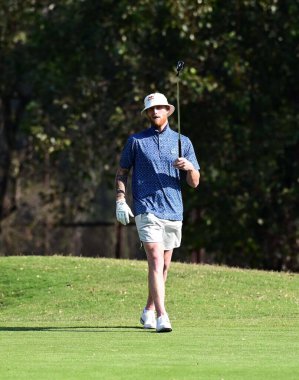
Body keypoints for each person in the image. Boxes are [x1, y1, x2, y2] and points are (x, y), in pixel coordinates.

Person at [115, 92, 200, 333]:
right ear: (147, 113)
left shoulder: (183, 142)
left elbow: (194, 182)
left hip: (173, 209)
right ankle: (163, 316)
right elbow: (122, 172)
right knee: (154, 258)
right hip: (146, 208)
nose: (155, 112)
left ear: (168, 111)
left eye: (159, 108)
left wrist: (190, 167)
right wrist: (121, 200)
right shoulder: (136, 141)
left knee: (164, 266)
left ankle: (149, 310)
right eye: (151, 109)